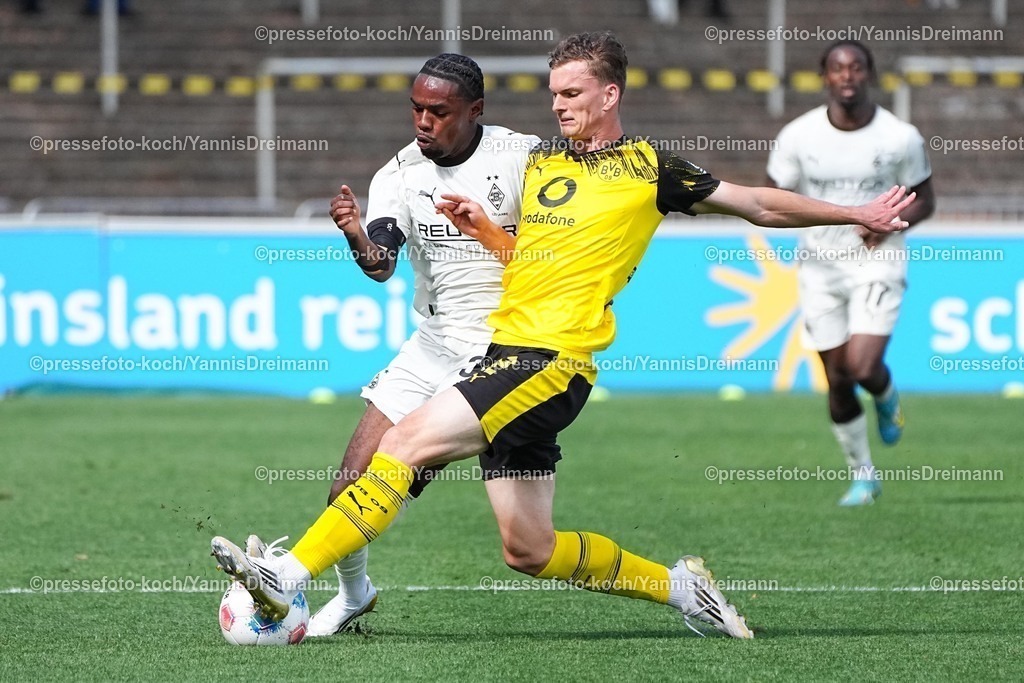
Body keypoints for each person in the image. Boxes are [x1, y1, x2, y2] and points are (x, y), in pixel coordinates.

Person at [212, 31, 917, 639]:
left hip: (547, 359)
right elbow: (531, 257)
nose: (558, 105)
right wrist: (488, 232)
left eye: (572, 93)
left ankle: (287, 573)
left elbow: (757, 201)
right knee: (529, 548)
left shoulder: (649, 168)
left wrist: (855, 210)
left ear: (609, 96)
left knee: (402, 444)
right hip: (512, 354)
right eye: (553, 93)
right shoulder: (542, 164)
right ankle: (680, 589)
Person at [250, 53, 537, 636]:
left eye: (438, 111)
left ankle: (290, 573)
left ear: (474, 111)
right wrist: (357, 233)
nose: (423, 122)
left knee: (403, 475)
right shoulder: (399, 174)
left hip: (502, 350)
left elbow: (558, 247)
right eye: (416, 108)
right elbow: (381, 264)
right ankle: (355, 595)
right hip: (431, 343)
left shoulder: (519, 157)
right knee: (345, 488)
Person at [766, 40, 935, 506]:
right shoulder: (798, 137)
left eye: (856, 68)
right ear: (825, 76)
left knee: (861, 366)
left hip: (878, 260)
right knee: (837, 376)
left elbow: (926, 199)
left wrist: (888, 226)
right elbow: (778, 200)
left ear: (869, 74)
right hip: (819, 268)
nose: (847, 76)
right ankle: (863, 476)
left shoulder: (899, 136)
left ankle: (884, 392)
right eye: (838, 69)